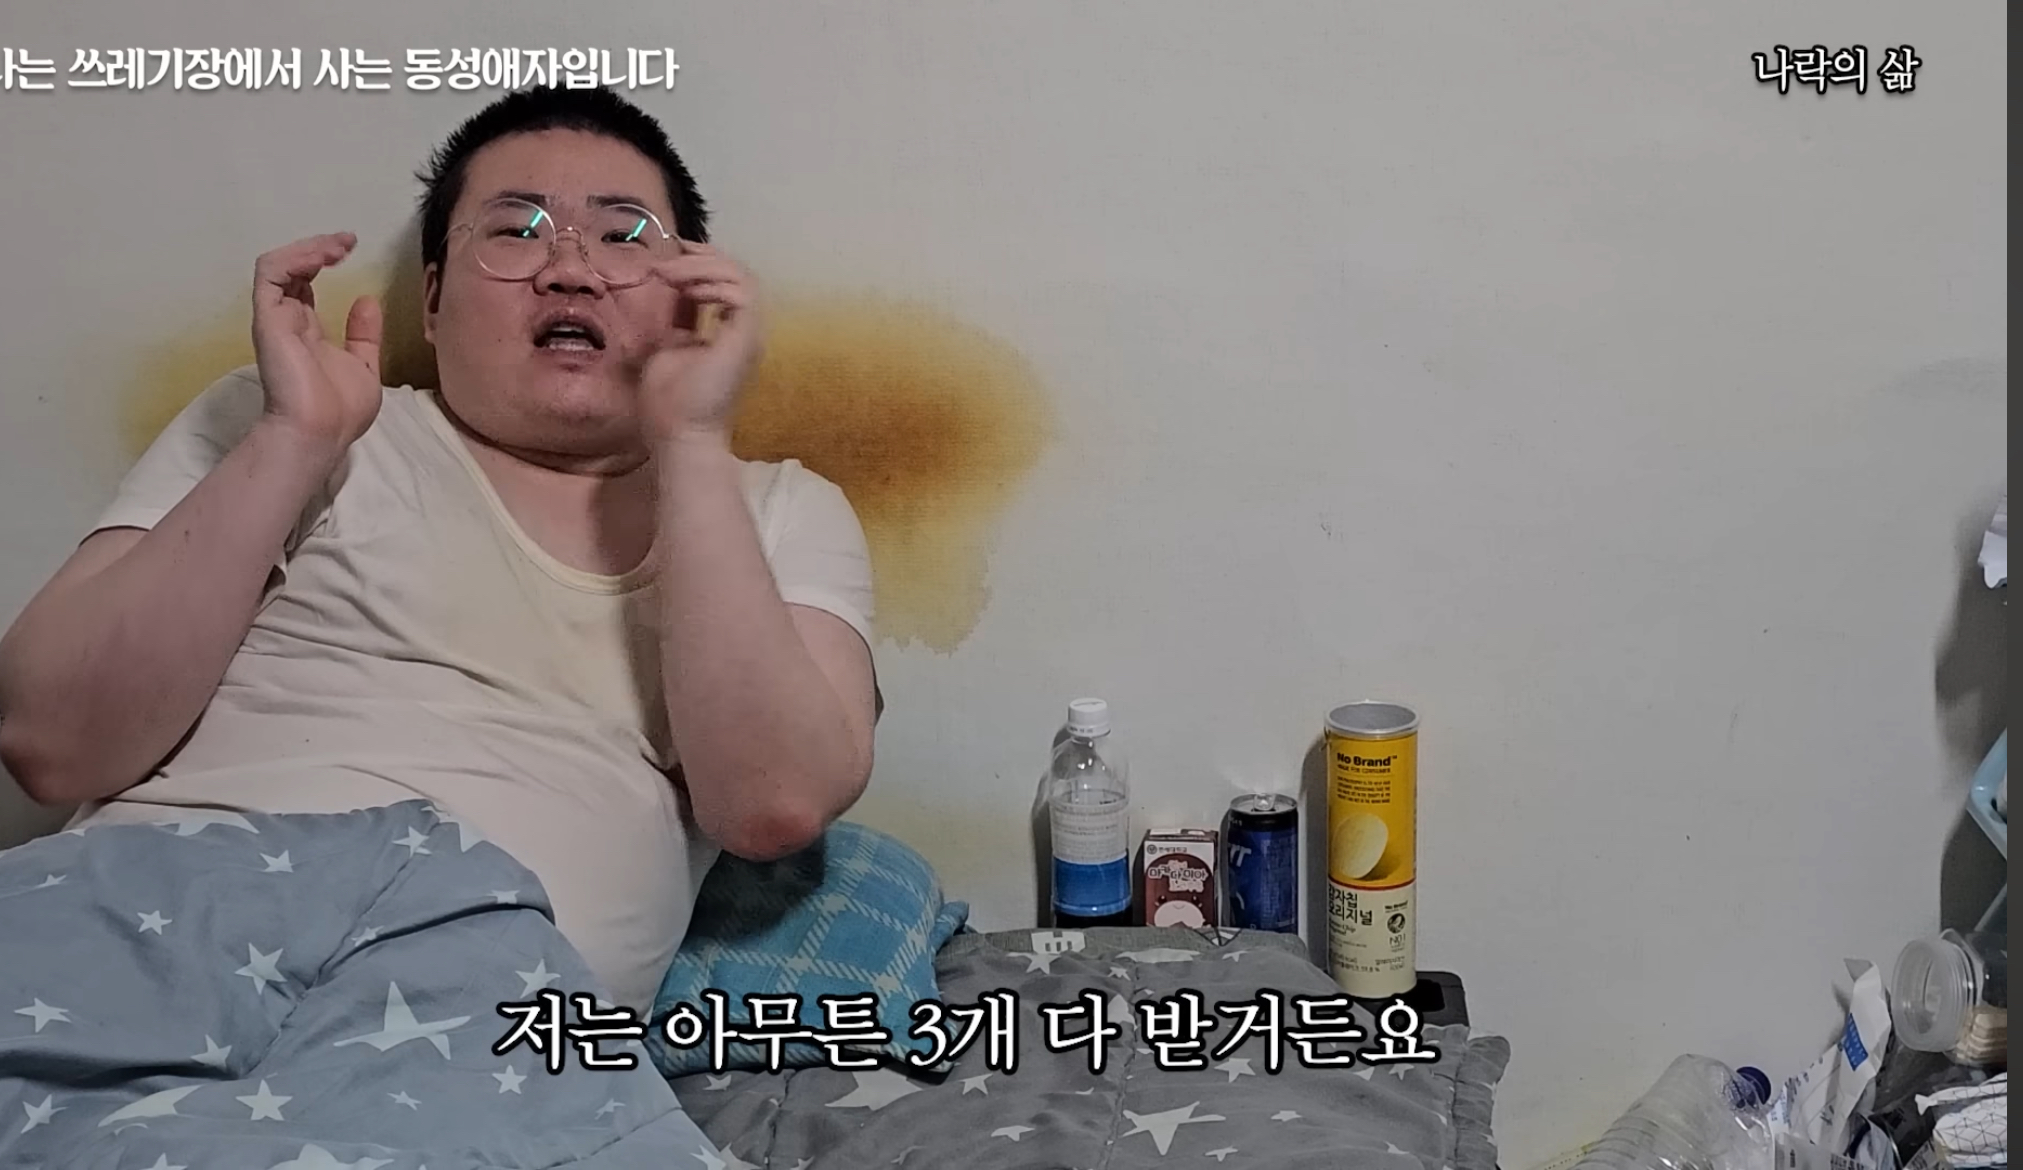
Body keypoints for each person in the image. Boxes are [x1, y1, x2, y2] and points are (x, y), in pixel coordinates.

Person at [0, 84, 880, 1015]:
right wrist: (295, 439)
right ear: (431, 300)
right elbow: (50, 745)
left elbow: (773, 805)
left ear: (691, 299)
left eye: (624, 236)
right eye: (516, 231)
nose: (571, 270)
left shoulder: (778, 510)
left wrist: (691, 442)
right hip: (137, 942)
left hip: (466, 1032)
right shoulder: (292, 412)